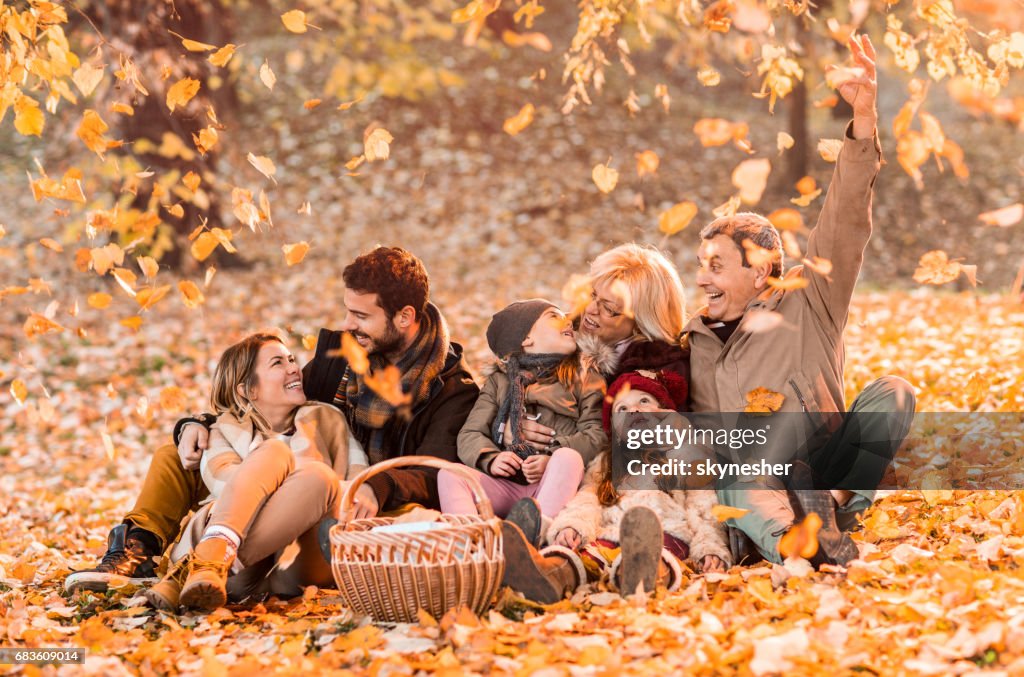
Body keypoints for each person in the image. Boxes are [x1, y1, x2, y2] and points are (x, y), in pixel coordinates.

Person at [65, 246, 479, 594]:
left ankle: (201, 567)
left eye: (361, 316)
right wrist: (198, 423)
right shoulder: (344, 358)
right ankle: (136, 549)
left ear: (405, 317)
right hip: (297, 475)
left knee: (313, 481)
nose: (348, 325)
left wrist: (380, 485)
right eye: (347, 312)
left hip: (362, 501)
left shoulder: (450, 389)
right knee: (176, 455)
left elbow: (436, 469)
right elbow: (274, 401)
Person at [683, 35, 916, 567]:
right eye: (700, 265)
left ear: (762, 270)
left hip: (822, 468)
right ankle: (796, 543)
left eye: (716, 266)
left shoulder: (812, 302)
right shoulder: (688, 338)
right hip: (754, 483)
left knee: (892, 392)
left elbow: (845, 220)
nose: (701, 279)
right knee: (735, 478)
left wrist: (862, 125)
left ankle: (828, 512)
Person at [144, 333, 367, 610]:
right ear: (248, 391)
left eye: (291, 360)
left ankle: (195, 568)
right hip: (242, 576)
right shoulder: (220, 432)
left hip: (302, 561)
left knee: (321, 477)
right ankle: (211, 563)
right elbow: (229, 492)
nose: (294, 368)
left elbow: (359, 486)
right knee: (275, 453)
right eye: (277, 363)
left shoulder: (329, 419)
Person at [544, 370, 733, 598]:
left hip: (667, 534)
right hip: (610, 534)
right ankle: (548, 576)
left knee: (654, 556)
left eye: (644, 401)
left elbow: (704, 507)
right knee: (580, 558)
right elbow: (587, 499)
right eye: (622, 409)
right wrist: (573, 525)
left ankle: (641, 578)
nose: (633, 410)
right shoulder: (606, 461)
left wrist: (709, 547)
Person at [439, 300, 606, 533]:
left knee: (568, 458)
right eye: (553, 316)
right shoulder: (499, 381)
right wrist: (490, 458)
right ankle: (470, 540)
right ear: (526, 339)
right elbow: (471, 433)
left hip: (554, 482)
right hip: (507, 484)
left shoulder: (584, 375)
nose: (568, 321)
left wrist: (552, 455)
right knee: (449, 474)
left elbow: (596, 432)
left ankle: (534, 535)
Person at [516, 243, 690, 456]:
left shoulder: (662, 369)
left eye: (608, 308)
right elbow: (501, 386)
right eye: (591, 295)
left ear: (641, 323)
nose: (590, 309)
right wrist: (508, 424)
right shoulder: (556, 333)